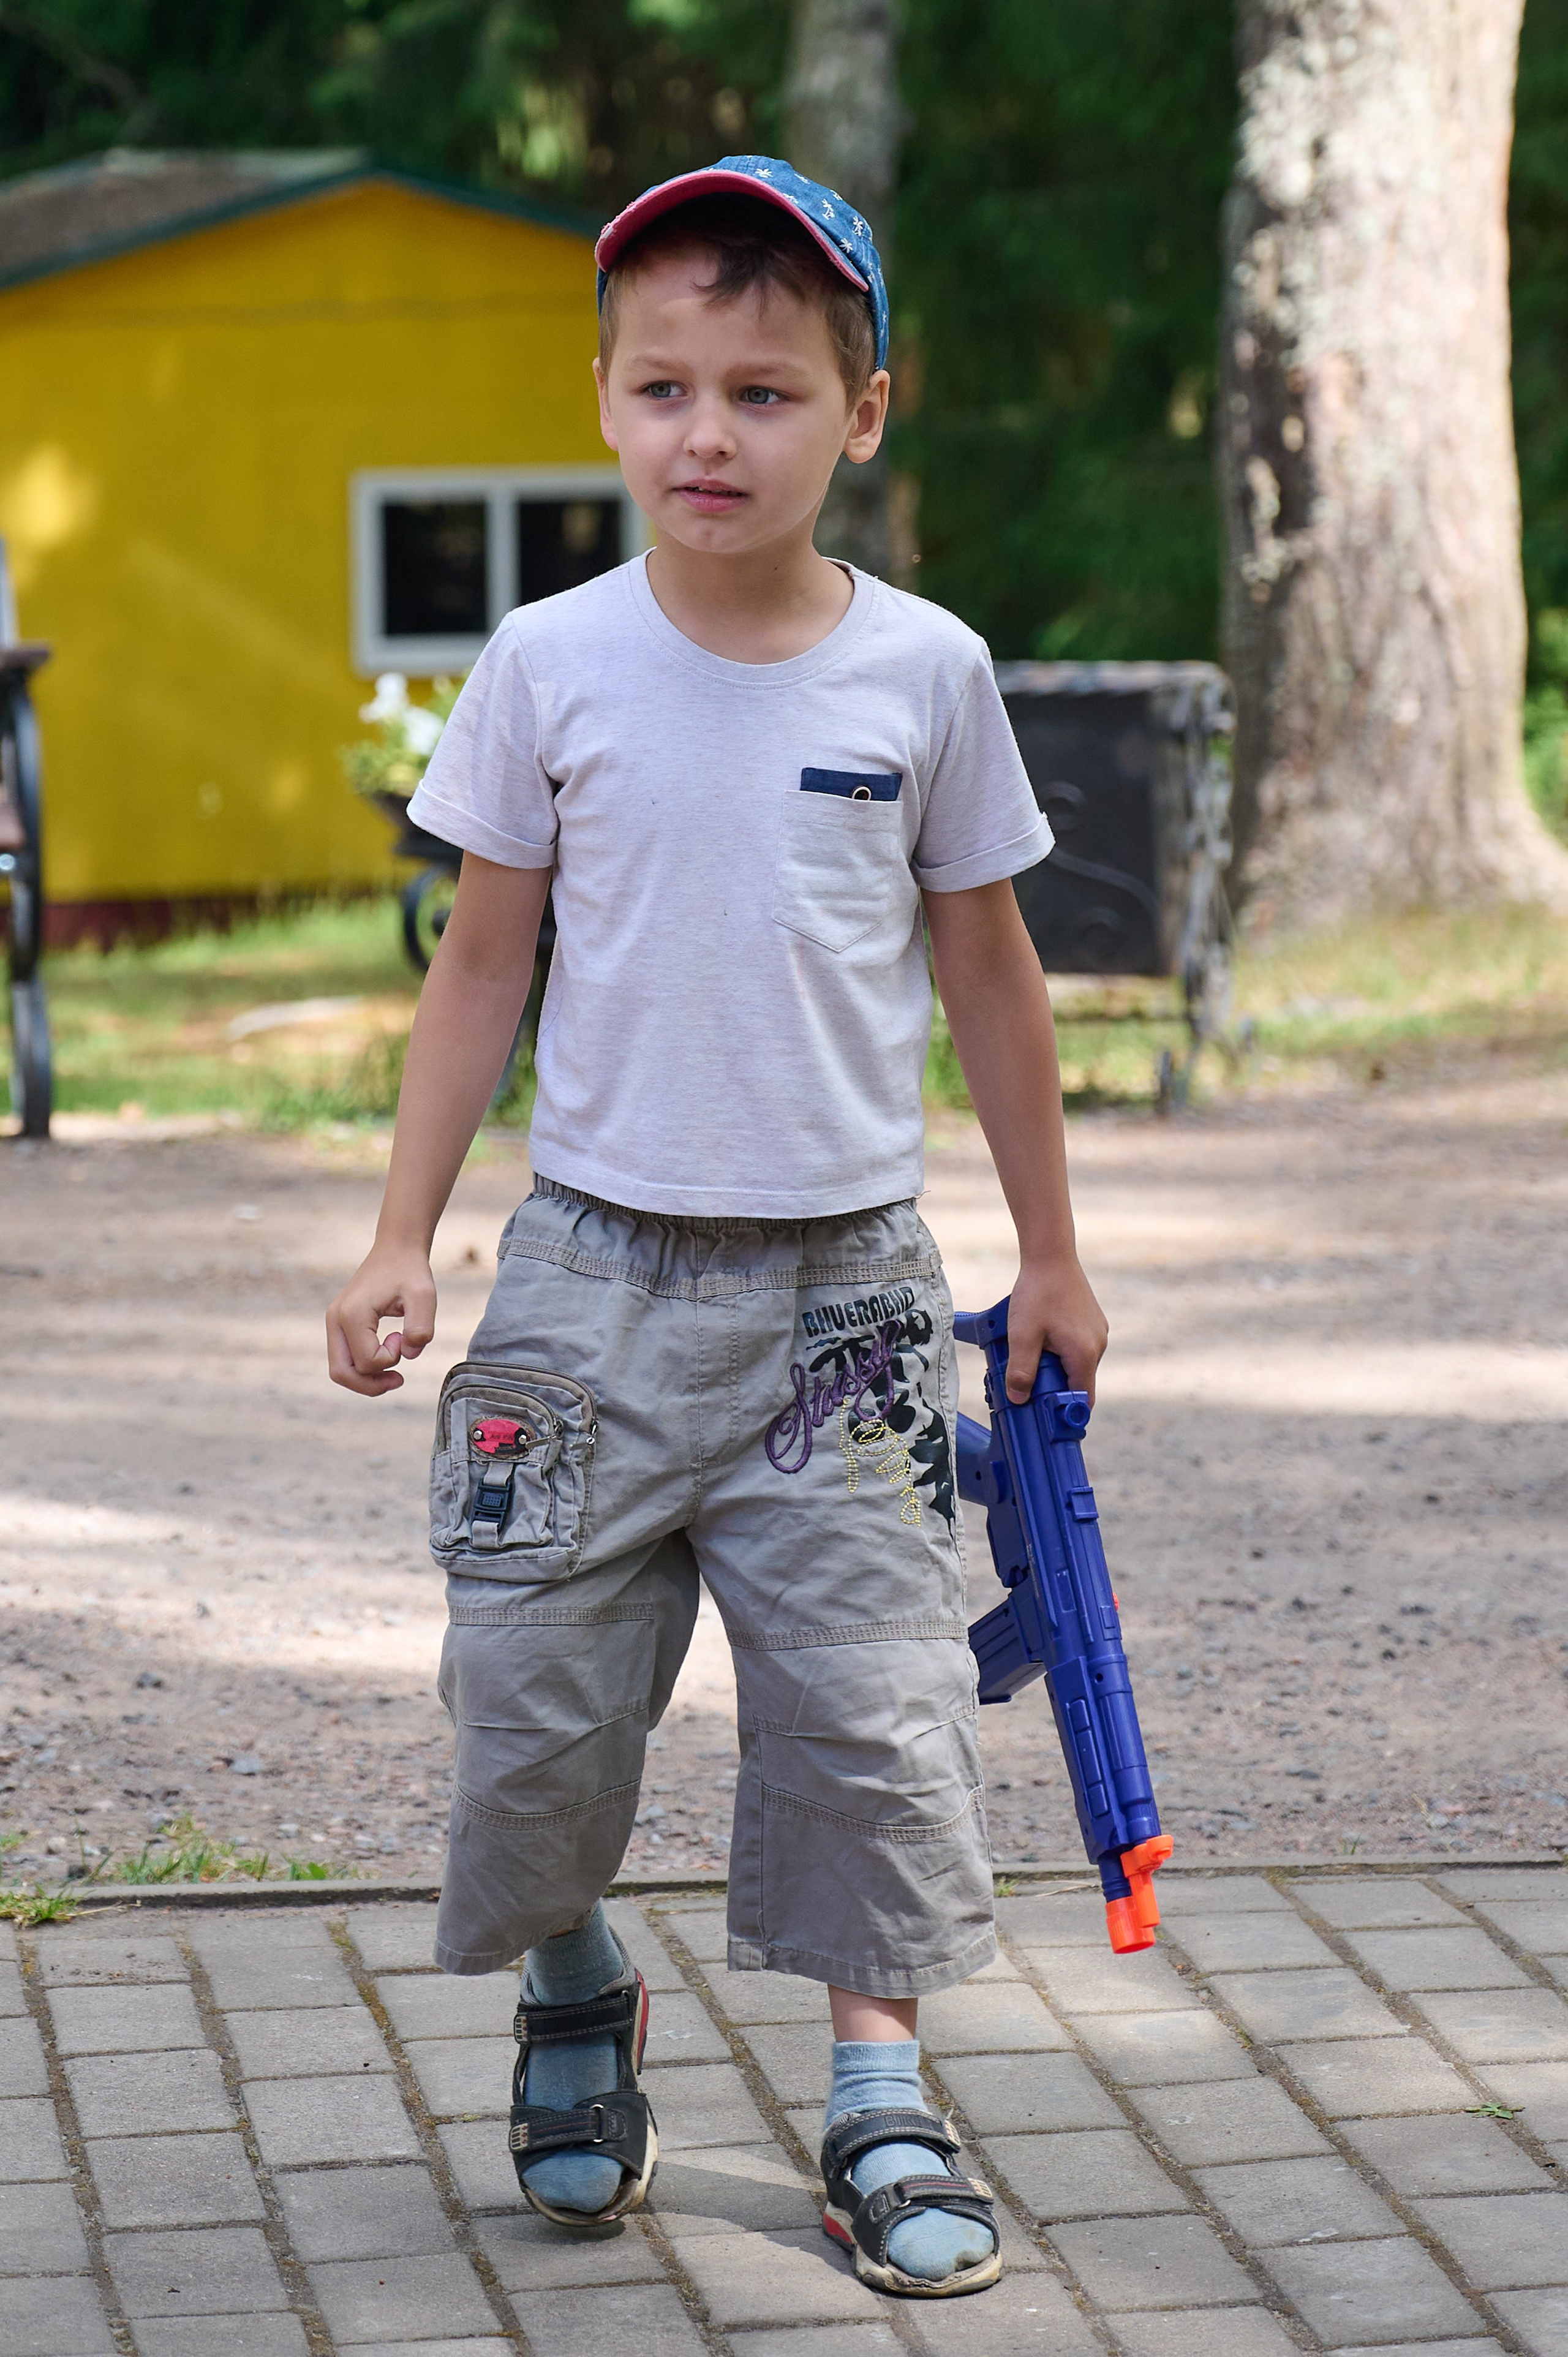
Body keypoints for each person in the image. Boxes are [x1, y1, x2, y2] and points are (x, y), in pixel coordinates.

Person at [326, 153, 1107, 2300]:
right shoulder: (548, 663)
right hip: (586, 1278)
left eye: (764, 393)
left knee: (873, 1706)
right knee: (534, 1699)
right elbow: (482, 965)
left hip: (846, 1298)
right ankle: (578, 1981)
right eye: (663, 385)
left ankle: (877, 2094)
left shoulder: (925, 674)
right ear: (600, 400)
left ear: (864, 413)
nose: (707, 434)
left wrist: (1047, 1254)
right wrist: (404, 1236)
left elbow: (993, 978)